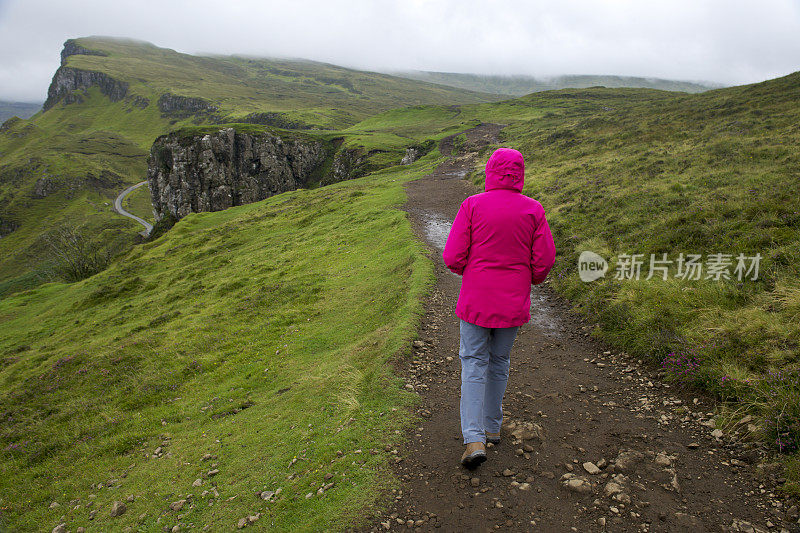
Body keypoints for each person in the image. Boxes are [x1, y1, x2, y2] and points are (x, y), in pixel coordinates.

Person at [442, 147, 556, 467]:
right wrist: (528, 278)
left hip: (476, 301)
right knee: (499, 361)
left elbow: (452, 257)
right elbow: (544, 260)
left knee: (474, 362)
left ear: (491, 170)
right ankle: (493, 428)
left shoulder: (473, 205)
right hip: (512, 303)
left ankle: (474, 438)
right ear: (520, 173)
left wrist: (471, 270)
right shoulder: (533, 210)